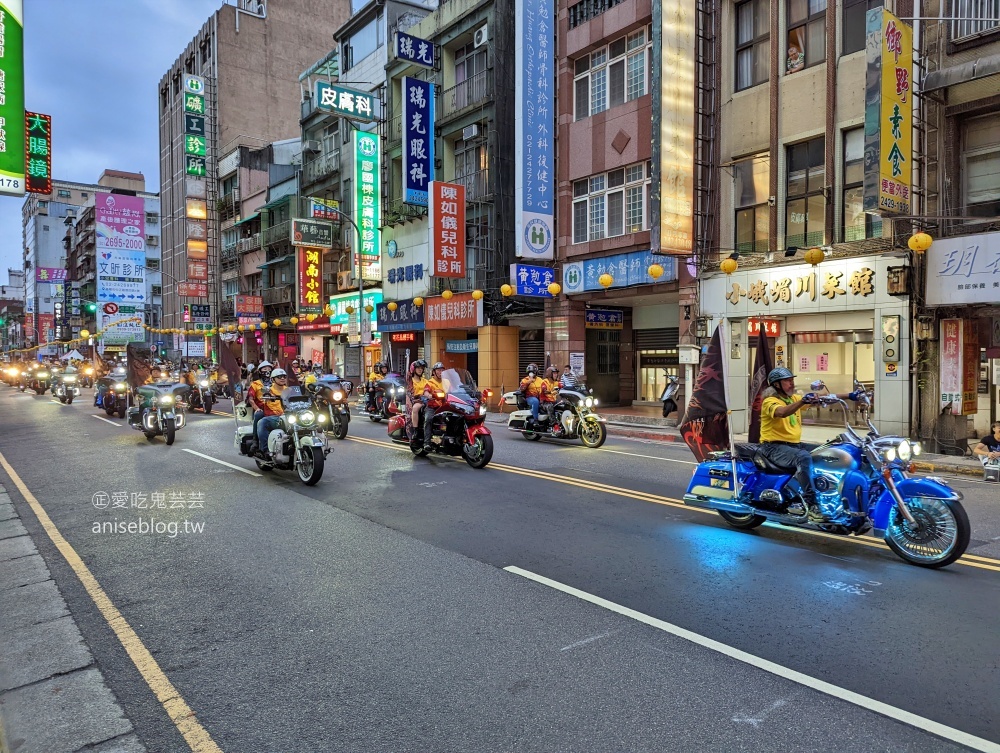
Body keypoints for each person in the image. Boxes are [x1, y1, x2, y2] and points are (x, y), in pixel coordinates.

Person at [255, 368, 288, 457]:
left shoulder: (289, 390)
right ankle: (265, 450)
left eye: (284, 376)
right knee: (263, 422)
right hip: (275, 418)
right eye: (279, 377)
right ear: (273, 379)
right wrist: (267, 396)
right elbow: (262, 397)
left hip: (289, 417)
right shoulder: (268, 390)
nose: (282, 378)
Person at [421, 362, 446, 451]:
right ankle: (427, 442)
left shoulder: (446, 382)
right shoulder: (430, 382)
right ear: (434, 372)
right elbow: (426, 391)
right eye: (439, 370)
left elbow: (454, 389)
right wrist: (429, 395)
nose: (441, 372)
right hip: (432, 407)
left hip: (445, 407)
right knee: (428, 419)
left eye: (442, 370)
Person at [406, 360, 428, 442]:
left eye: (421, 368)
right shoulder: (410, 381)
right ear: (413, 369)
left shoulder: (425, 380)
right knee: (415, 408)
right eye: (418, 368)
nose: (420, 370)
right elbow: (409, 391)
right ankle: (415, 430)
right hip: (416, 401)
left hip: (427, 400)